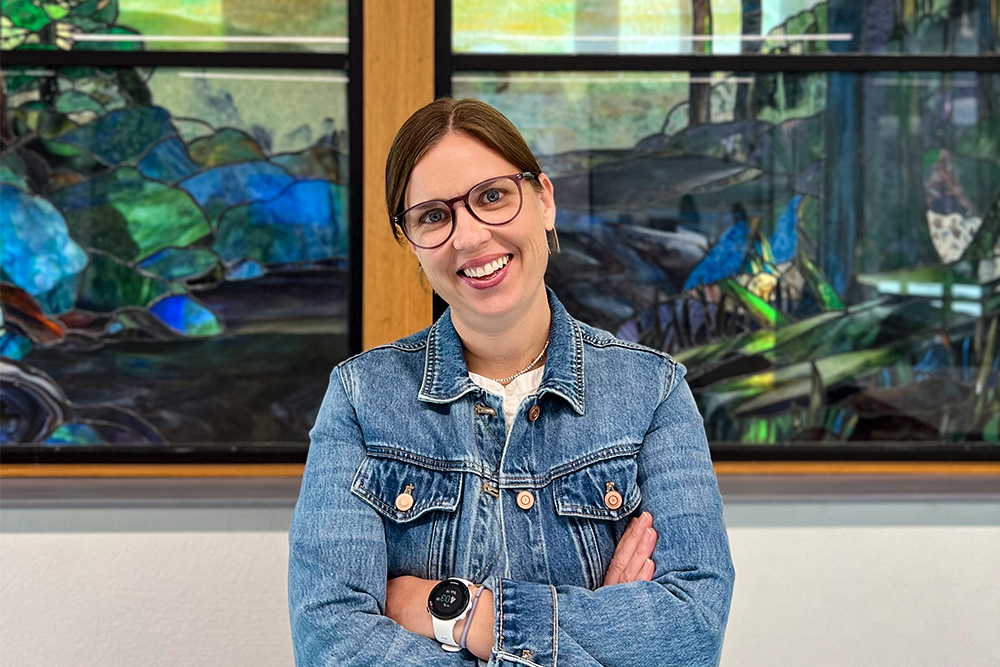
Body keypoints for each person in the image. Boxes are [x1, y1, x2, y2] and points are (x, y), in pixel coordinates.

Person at [288, 97, 734, 666]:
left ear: (543, 200)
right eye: (433, 216)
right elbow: (331, 645)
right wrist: (598, 630)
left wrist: (459, 613)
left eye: (492, 196)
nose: (469, 237)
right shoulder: (361, 398)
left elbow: (692, 633)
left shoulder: (654, 392)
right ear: (411, 245)